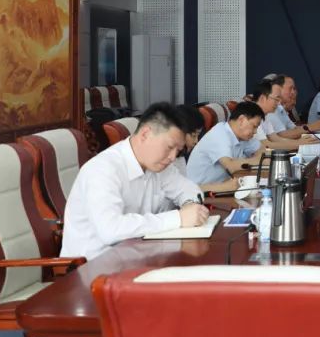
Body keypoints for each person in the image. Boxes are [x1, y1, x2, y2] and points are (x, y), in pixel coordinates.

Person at [60, 103, 211, 260]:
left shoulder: (159, 165)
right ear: (145, 134)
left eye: (178, 150)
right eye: (169, 147)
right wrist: (178, 218)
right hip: (93, 266)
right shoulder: (103, 169)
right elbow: (111, 230)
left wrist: (190, 206)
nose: (173, 157)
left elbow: (189, 190)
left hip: (137, 257)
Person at [186, 101, 265, 184]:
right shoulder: (220, 134)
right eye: (254, 126)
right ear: (241, 120)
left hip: (222, 186)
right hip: (199, 189)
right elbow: (230, 166)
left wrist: (260, 159)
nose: (255, 131)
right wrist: (259, 160)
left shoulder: (242, 136)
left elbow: (262, 150)